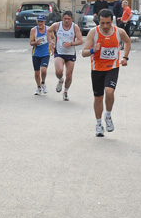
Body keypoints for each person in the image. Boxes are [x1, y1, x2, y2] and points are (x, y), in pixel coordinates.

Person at [81, 9, 131, 137]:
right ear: (99, 22)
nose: (105, 26)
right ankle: (98, 124)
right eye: (102, 23)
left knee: (109, 91)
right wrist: (93, 50)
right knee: (98, 98)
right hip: (97, 69)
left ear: (112, 21)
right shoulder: (93, 33)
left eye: (108, 23)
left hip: (112, 67)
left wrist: (125, 57)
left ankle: (108, 115)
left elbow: (127, 41)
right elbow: (83, 53)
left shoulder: (119, 32)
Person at [47, 11, 84, 101]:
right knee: (59, 71)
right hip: (59, 52)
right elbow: (48, 31)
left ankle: (66, 92)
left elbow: (80, 40)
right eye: (65, 19)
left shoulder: (75, 27)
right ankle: (60, 80)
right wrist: (50, 43)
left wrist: (71, 44)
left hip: (70, 53)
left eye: (68, 19)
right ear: (62, 19)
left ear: (71, 19)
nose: (66, 21)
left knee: (69, 74)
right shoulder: (57, 25)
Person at [30, 14, 51, 95]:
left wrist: (52, 45)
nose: (40, 23)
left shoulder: (48, 29)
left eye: (41, 21)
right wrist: (36, 42)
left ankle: (43, 82)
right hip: (36, 53)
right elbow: (31, 43)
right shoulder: (33, 30)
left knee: (44, 70)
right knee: (37, 72)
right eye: (38, 21)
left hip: (45, 53)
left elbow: (53, 38)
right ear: (37, 21)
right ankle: (38, 87)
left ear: (44, 22)